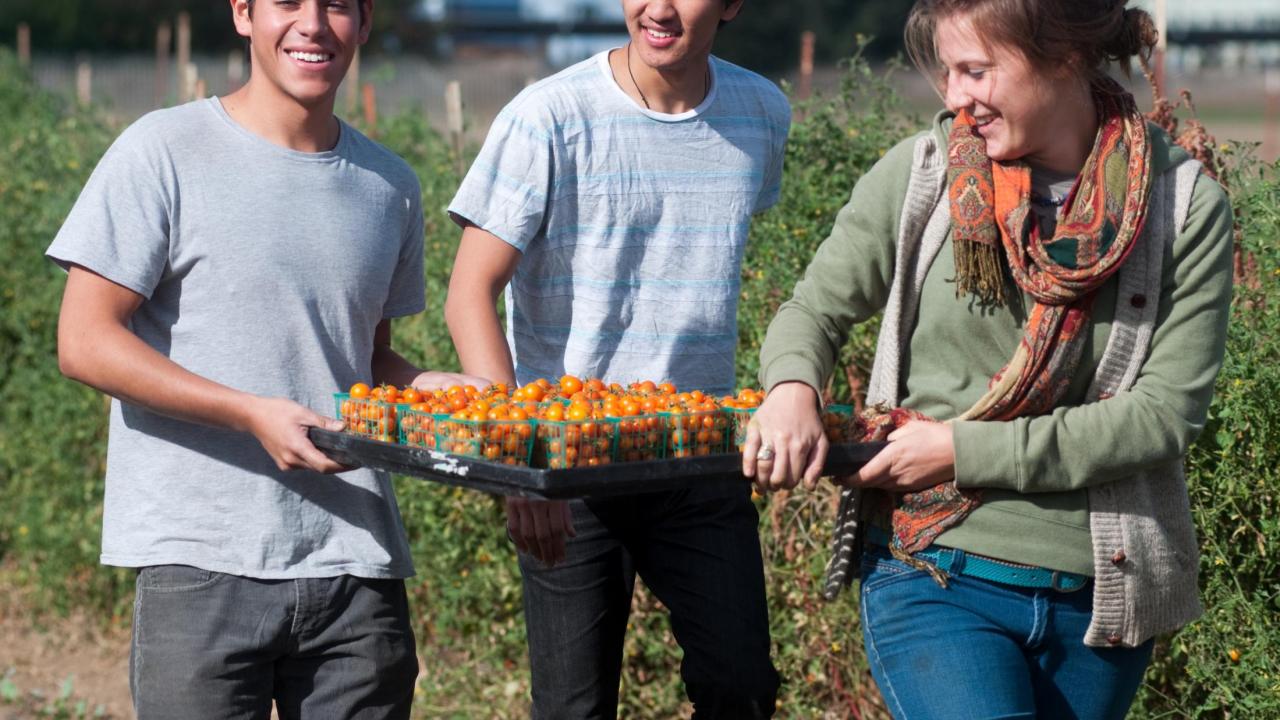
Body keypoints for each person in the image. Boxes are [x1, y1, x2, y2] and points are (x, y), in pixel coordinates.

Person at [743, 1, 1234, 718]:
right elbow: (810, 310)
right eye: (947, 72)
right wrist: (790, 390)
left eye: (976, 70)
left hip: (1101, 600)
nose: (954, 98)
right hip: (931, 570)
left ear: (1065, 56)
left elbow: (1161, 419)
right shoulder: (923, 176)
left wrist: (961, 449)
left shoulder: (1182, 206)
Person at [47, 0, 485, 716]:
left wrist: (423, 386)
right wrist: (249, 412)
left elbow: (360, 357)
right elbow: (85, 341)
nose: (313, 23)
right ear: (244, 13)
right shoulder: (162, 150)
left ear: (365, 23)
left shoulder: (389, 186)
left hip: (357, 567)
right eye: (288, 2)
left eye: (338, 5)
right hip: (201, 562)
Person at [443, 1, 789, 715]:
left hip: (695, 449)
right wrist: (521, 462)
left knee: (743, 687)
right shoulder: (549, 117)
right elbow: (468, 292)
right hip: (570, 462)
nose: (657, 8)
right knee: (574, 707)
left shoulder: (762, 111)